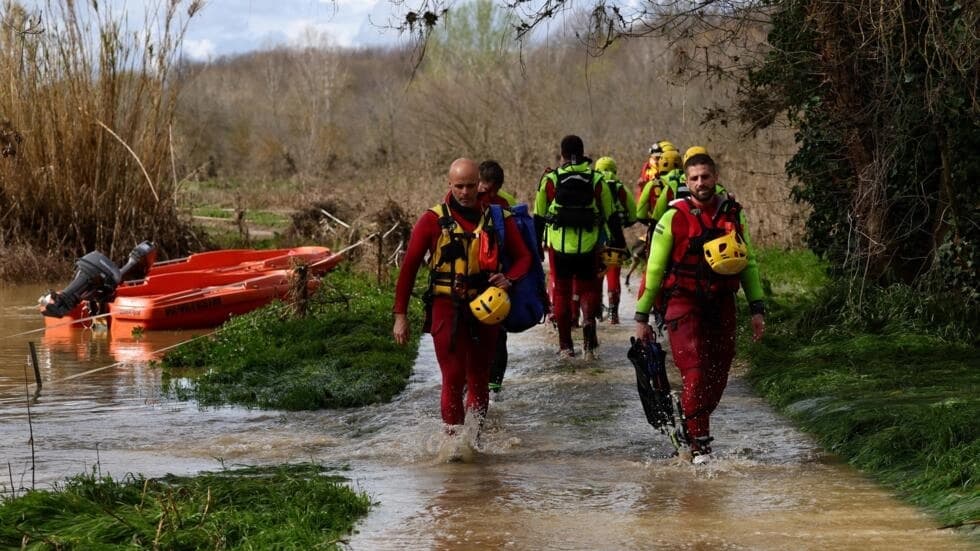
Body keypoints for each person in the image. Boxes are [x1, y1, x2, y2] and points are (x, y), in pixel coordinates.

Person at [633, 153, 765, 465]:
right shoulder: (672, 217)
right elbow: (653, 271)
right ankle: (700, 450)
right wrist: (641, 317)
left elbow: (750, 263)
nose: (700, 183)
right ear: (686, 181)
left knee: (717, 376)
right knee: (694, 374)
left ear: (715, 177)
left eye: (705, 177)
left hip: (721, 303)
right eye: (694, 178)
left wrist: (757, 308)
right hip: (683, 303)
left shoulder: (733, 213)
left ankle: (689, 425)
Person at [393, 158, 532, 442]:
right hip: (446, 307)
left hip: (486, 308)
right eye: (459, 186)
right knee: (453, 377)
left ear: (479, 184)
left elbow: (524, 258)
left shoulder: (498, 217)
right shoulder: (431, 220)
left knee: (479, 376)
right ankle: (454, 444)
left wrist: (510, 279)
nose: (466, 192)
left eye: (471, 186)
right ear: (449, 185)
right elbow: (408, 269)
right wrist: (400, 316)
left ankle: (474, 440)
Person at [534, 135, 626, 360]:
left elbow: (538, 215)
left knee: (562, 292)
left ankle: (566, 347)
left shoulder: (551, 179)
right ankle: (589, 337)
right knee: (589, 289)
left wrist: (537, 245)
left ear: (562, 154)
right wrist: (618, 242)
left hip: (559, 248)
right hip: (589, 247)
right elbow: (610, 214)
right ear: (583, 152)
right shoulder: (596, 180)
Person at [478, 160, 512, 397]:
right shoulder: (463, 199)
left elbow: (512, 244)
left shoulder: (503, 204)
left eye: (492, 190)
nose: (487, 194)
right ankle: (475, 381)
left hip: (495, 276)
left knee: (498, 332)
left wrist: (509, 277)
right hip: (470, 277)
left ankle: (494, 386)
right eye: (484, 189)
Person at [594, 156, 636, 324]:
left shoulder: (593, 184)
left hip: (595, 239)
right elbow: (633, 213)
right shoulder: (620, 188)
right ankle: (613, 314)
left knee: (596, 275)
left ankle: (596, 309)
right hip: (616, 240)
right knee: (613, 275)